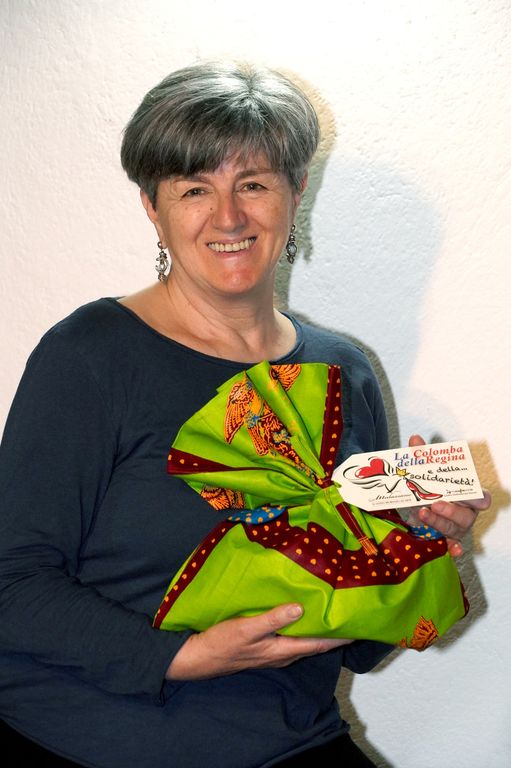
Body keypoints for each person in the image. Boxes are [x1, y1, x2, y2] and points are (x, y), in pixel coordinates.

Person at [0, 62, 490, 768]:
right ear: (153, 208)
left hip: (291, 738)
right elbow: (12, 582)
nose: (228, 217)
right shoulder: (92, 353)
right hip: (92, 741)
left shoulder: (341, 370)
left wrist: (417, 543)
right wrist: (184, 657)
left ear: (296, 193)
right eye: (194, 188)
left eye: (253, 184)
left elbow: (360, 643)